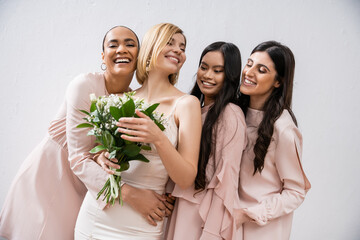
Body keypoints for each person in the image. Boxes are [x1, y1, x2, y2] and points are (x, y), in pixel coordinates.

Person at [0, 26, 167, 240]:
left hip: (90, 185)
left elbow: (129, 152)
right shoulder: (84, 84)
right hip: (51, 175)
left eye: (130, 44)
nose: (122, 49)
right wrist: (130, 194)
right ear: (103, 55)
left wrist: (161, 192)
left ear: (140, 55)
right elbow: (79, 155)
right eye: (113, 44)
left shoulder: (134, 100)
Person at [74, 23, 202, 239]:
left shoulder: (187, 104)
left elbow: (186, 178)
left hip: (142, 225)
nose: (179, 50)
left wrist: (158, 138)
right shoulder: (120, 100)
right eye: (170, 42)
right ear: (150, 49)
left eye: (183, 47)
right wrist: (100, 156)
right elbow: (94, 154)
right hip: (96, 218)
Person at [165, 41, 246, 240]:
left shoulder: (230, 114)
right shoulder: (192, 109)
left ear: (230, 76)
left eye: (217, 70)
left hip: (203, 219)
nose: (207, 75)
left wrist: (211, 233)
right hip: (181, 209)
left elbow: (225, 182)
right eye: (204, 67)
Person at [235, 41, 311, 240]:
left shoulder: (283, 129)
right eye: (249, 64)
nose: (249, 72)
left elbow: (296, 192)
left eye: (261, 70)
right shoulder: (235, 115)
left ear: (278, 81)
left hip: (263, 230)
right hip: (230, 225)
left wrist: (250, 214)